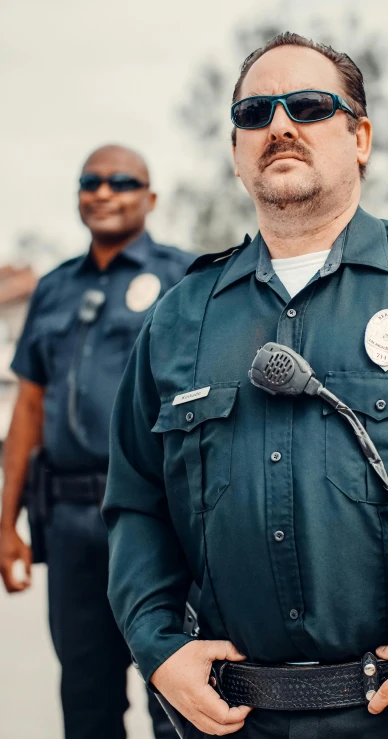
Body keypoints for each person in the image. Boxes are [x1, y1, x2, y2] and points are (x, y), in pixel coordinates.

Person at [102, 34, 388, 739]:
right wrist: (157, 648)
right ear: (236, 150)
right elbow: (134, 501)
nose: (279, 125)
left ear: (361, 136)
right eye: (254, 112)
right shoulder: (178, 318)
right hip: (231, 719)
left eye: (308, 106)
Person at [0, 144, 194, 739]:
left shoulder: (185, 278)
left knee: (180, 699)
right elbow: (29, 407)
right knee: (85, 698)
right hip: (71, 521)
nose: (104, 191)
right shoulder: (55, 290)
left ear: (150, 198)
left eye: (121, 181)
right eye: (91, 181)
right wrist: (6, 524)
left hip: (162, 519)